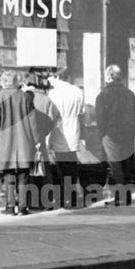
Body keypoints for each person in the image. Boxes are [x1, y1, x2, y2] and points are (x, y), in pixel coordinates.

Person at [0, 69, 39, 215]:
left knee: (8, 174)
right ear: (17, 82)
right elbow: (33, 122)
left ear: (3, 82)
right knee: (24, 175)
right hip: (24, 141)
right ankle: (23, 207)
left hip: (5, 141)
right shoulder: (26, 98)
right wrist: (36, 141)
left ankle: (10, 207)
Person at [94, 64, 135, 205]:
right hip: (128, 134)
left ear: (109, 77)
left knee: (116, 167)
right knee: (126, 165)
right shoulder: (130, 94)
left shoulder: (103, 95)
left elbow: (100, 119)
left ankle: (119, 197)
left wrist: (101, 136)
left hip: (111, 134)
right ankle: (126, 197)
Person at [22, 71, 61, 208]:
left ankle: (31, 201)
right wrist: (43, 133)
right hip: (41, 140)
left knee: (29, 171)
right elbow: (52, 120)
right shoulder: (46, 99)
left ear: (24, 83)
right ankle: (48, 200)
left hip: (26, 140)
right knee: (44, 170)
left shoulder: (22, 98)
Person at [46, 69, 85, 208]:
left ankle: (65, 197)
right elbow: (82, 111)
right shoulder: (77, 91)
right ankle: (72, 196)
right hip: (73, 128)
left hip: (59, 130)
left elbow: (50, 114)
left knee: (61, 166)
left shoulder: (52, 93)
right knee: (71, 164)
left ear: (56, 77)